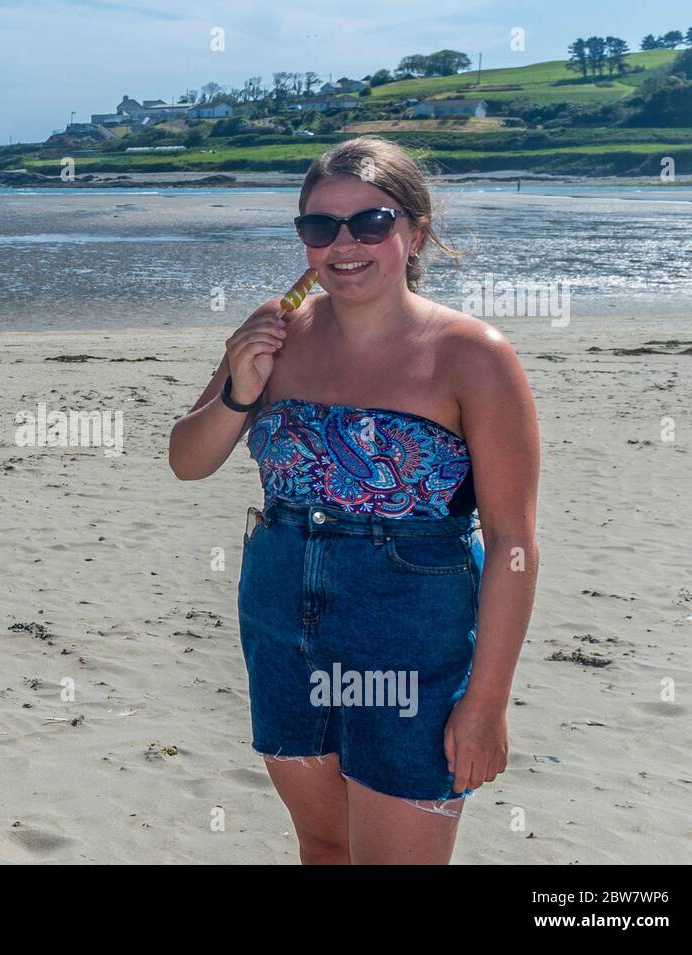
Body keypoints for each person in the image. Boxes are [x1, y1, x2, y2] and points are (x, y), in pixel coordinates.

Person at [169, 136, 540, 864]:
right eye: (320, 227)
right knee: (324, 846)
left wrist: (487, 701)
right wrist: (242, 386)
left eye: (370, 222)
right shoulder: (274, 329)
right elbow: (189, 459)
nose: (344, 244)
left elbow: (513, 541)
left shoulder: (474, 355)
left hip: (412, 641)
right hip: (281, 626)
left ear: (415, 231)